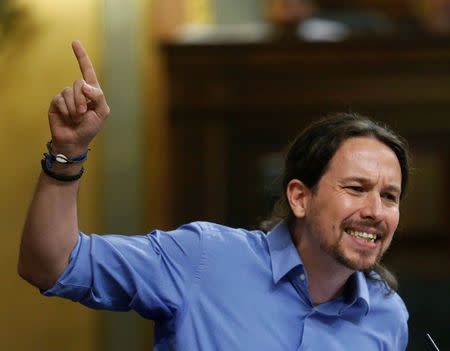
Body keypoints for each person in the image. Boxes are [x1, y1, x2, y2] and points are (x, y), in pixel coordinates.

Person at [18, 41, 409, 351]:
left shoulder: (387, 317)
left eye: (390, 196)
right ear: (299, 198)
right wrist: (67, 154)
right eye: (356, 189)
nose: (375, 211)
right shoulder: (203, 257)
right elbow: (52, 266)